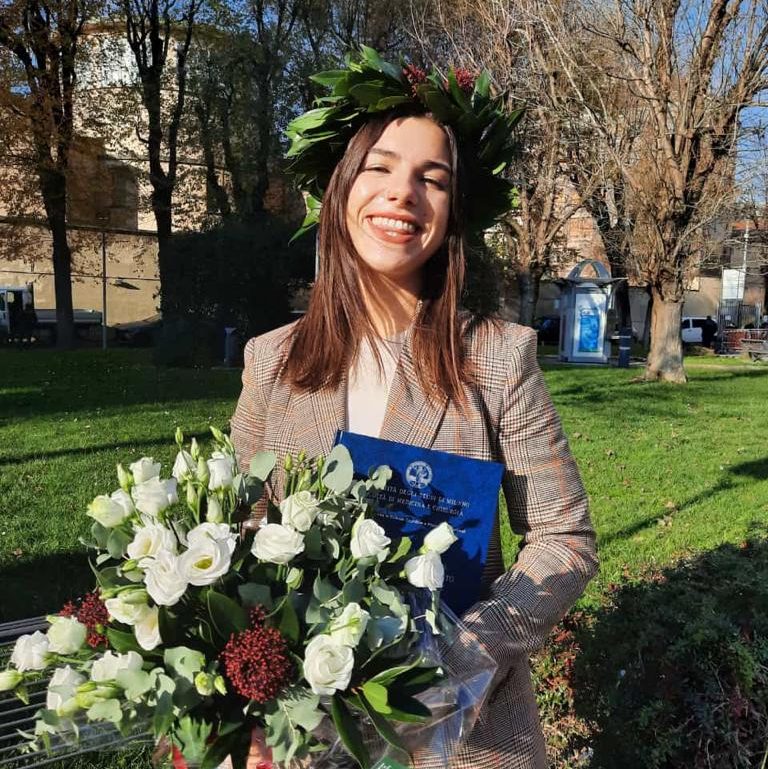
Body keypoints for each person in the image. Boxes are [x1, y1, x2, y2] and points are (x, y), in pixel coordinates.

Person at [230, 51, 598, 769]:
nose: (403, 193)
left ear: (452, 212)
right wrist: (242, 692)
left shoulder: (498, 357)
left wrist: (457, 658)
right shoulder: (270, 360)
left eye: (432, 179)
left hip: (463, 735)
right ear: (339, 190)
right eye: (381, 167)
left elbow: (564, 537)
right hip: (305, 734)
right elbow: (242, 527)